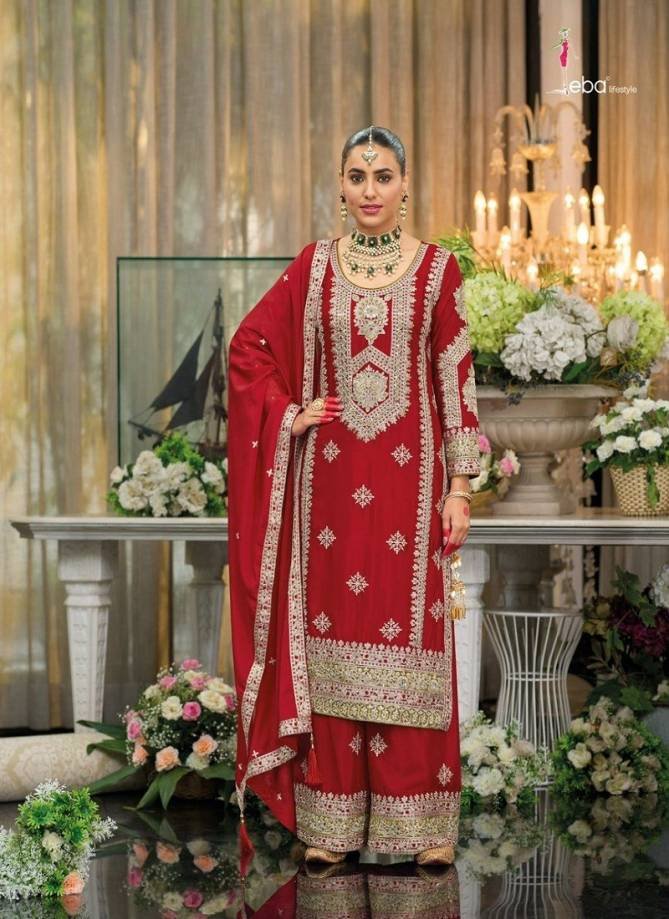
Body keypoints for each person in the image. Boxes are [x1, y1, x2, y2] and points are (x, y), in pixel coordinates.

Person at [227, 125, 480, 872]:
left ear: (405, 185)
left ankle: (422, 824)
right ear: (340, 185)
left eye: (383, 175)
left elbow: (455, 379)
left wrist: (460, 485)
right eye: (357, 175)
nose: (370, 189)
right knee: (331, 639)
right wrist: (287, 413)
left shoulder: (437, 270)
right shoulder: (313, 268)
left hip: (413, 488)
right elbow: (249, 349)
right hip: (330, 490)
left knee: (412, 638)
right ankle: (332, 823)